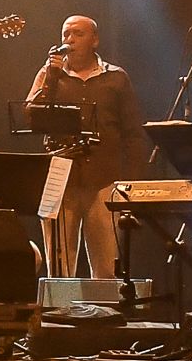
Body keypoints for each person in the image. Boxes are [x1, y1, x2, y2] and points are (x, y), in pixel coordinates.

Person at [25, 15, 144, 278]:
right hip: (60, 179)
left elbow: (133, 133)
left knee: (107, 267)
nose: (69, 40)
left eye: (78, 34)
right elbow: (30, 116)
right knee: (59, 267)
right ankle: (61, 306)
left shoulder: (116, 77)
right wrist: (51, 78)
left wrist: (131, 182)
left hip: (104, 180)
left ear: (95, 40)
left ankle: (104, 305)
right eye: (65, 34)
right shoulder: (48, 74)